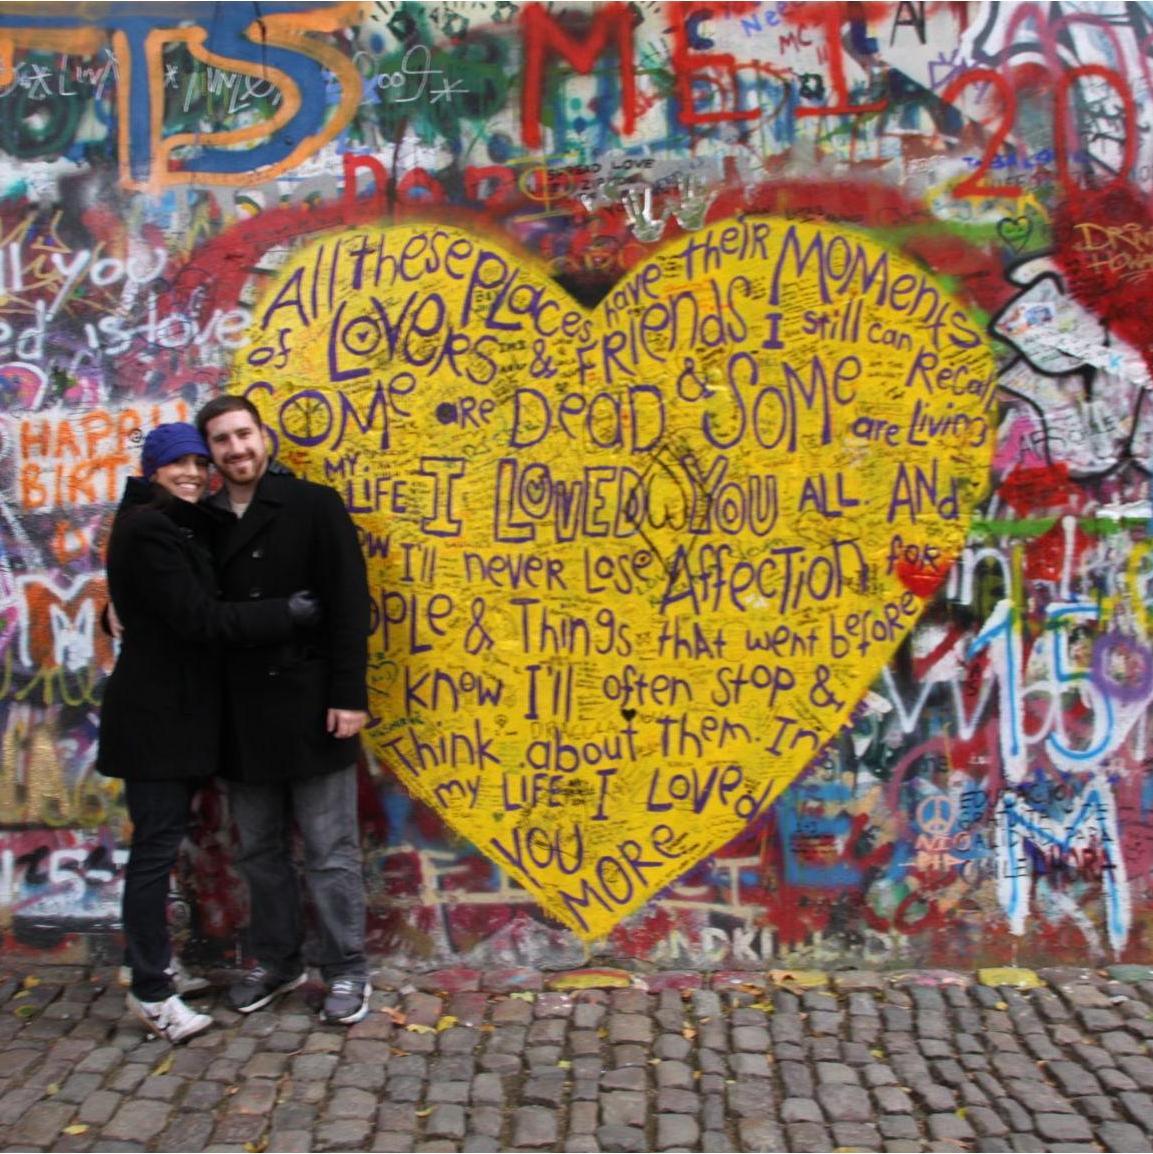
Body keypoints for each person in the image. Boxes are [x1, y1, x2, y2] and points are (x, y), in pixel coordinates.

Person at [97, 423, 320, 1044]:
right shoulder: (148, 528)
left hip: (176, 716)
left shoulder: (166, 522)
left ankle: (152, 965)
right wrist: (285, 613)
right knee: (155, 853)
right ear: (153, 469)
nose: (194, 472)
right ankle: (150, 992)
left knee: (161, 848)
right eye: (179, 464)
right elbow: (197, 617)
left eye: (200, 462)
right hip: (154, 720)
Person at [195, 394, 373, 1025]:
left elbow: (351, 606)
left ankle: (347, 968)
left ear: (263, 436)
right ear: (210, 453)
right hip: (239, 711)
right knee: (259, 851)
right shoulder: (203, 519)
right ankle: (276, 959)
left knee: (329, 849)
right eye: (221, 440)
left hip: (311, 703)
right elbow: (194, 614)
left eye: (243, 434)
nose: (236, 449)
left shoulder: (312, 504)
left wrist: (349, 696)